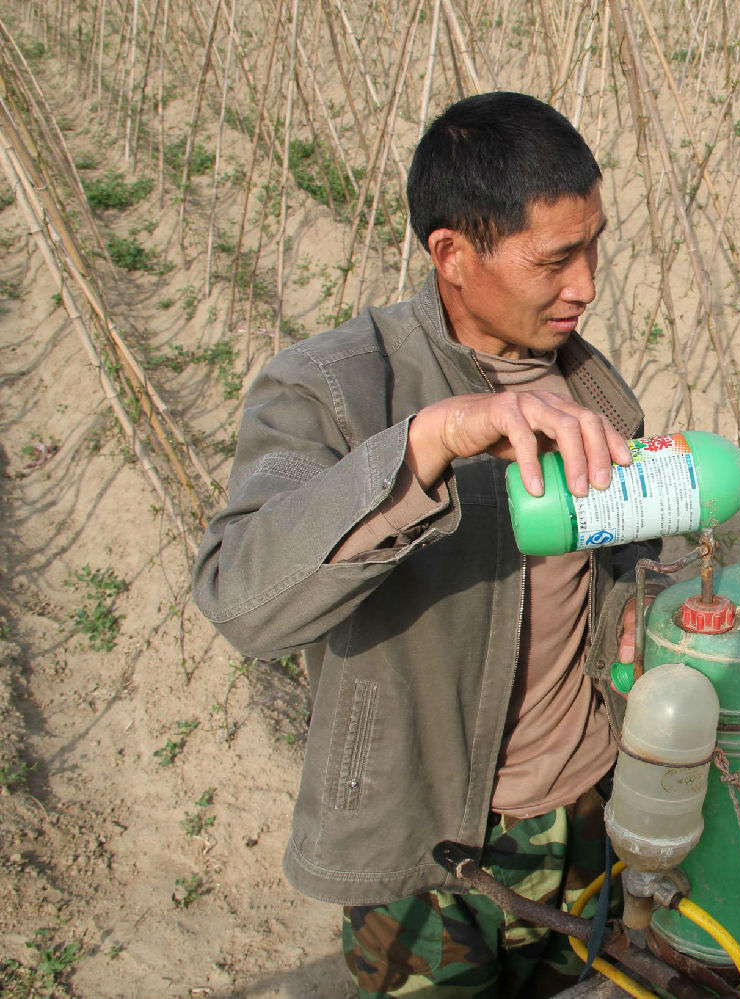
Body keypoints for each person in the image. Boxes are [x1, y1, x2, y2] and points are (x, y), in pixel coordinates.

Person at [193, 92, 653, 997]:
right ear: (451, 253)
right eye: (556, 258)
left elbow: (624, 558)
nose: (588, 284)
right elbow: (241, 596)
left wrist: (641, 605)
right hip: (428, 855)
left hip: (592, 819)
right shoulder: (332, 385)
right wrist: (428, 442)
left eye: (594, 244)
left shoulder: (592, 387)